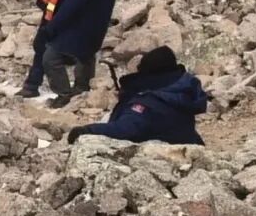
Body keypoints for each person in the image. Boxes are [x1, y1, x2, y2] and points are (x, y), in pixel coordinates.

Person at [67, 46, 207, 145]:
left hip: (153, 157)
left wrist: (87, 130)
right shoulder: (180, 91)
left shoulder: (148, 102)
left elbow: (126, 129)